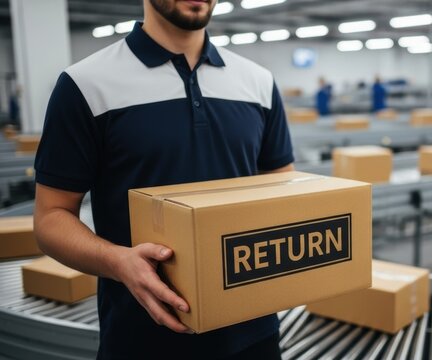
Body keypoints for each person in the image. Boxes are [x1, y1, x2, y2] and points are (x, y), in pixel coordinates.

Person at [33, 0, 293, 358]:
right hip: (144, 337)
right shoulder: (85, 85)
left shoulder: (258, 82)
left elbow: (285, 189)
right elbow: (50, 217)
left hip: (254, 332)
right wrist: (117, 261)